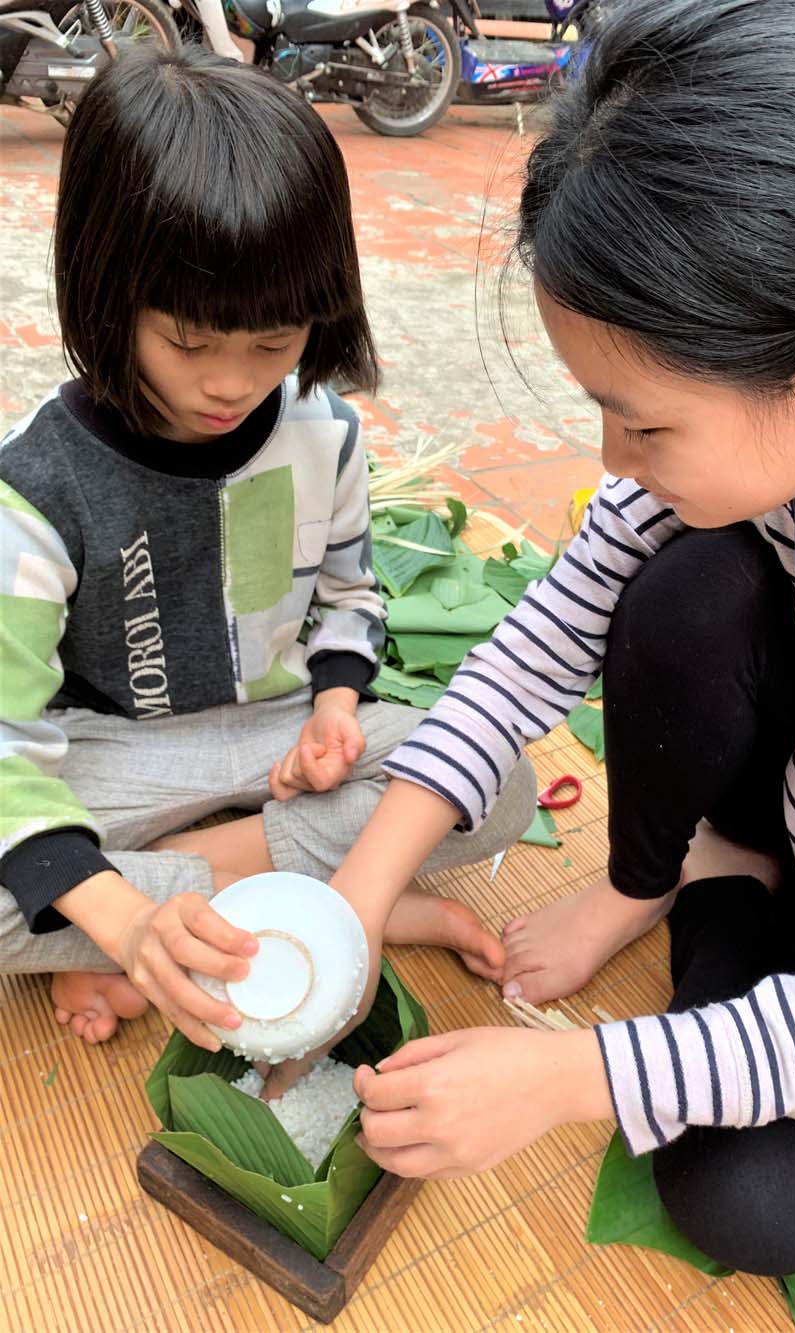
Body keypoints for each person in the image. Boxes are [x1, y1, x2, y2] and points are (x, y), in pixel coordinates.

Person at [268, 0, 795, 1277]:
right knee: (673, 588)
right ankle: (692, 871)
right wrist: (360, 894)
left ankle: (721, 886)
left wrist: (570, 1074)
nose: (612, 460)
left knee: (748, 1207)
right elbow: (545, 635)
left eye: (643, 423)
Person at [0, 45, 535, 1051]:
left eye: (274, 340)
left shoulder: (322, 432)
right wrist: (126, 920)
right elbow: (6, 745)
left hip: (279, 740)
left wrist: (334, 707)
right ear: (103, 292)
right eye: (190, 342)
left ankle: (179, 897)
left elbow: (351, 595)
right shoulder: (34, 490)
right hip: (112, 757)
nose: (232, 383)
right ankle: (310, 899)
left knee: (495, 779)